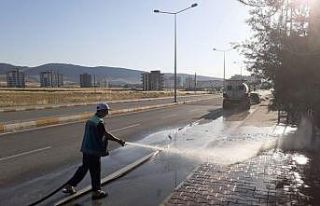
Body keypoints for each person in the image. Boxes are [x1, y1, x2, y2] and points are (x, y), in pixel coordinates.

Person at [62, 103, 125, 200]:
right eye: (106, 111)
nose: (107, 113)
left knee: (84, 168)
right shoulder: (99, 122)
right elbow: (105, 135)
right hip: (93, 150)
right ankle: (96, 192)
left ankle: (70, 185)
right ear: (102, 111)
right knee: (95, 170)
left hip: (86, 149)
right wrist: (118, 140)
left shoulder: (91, 120)